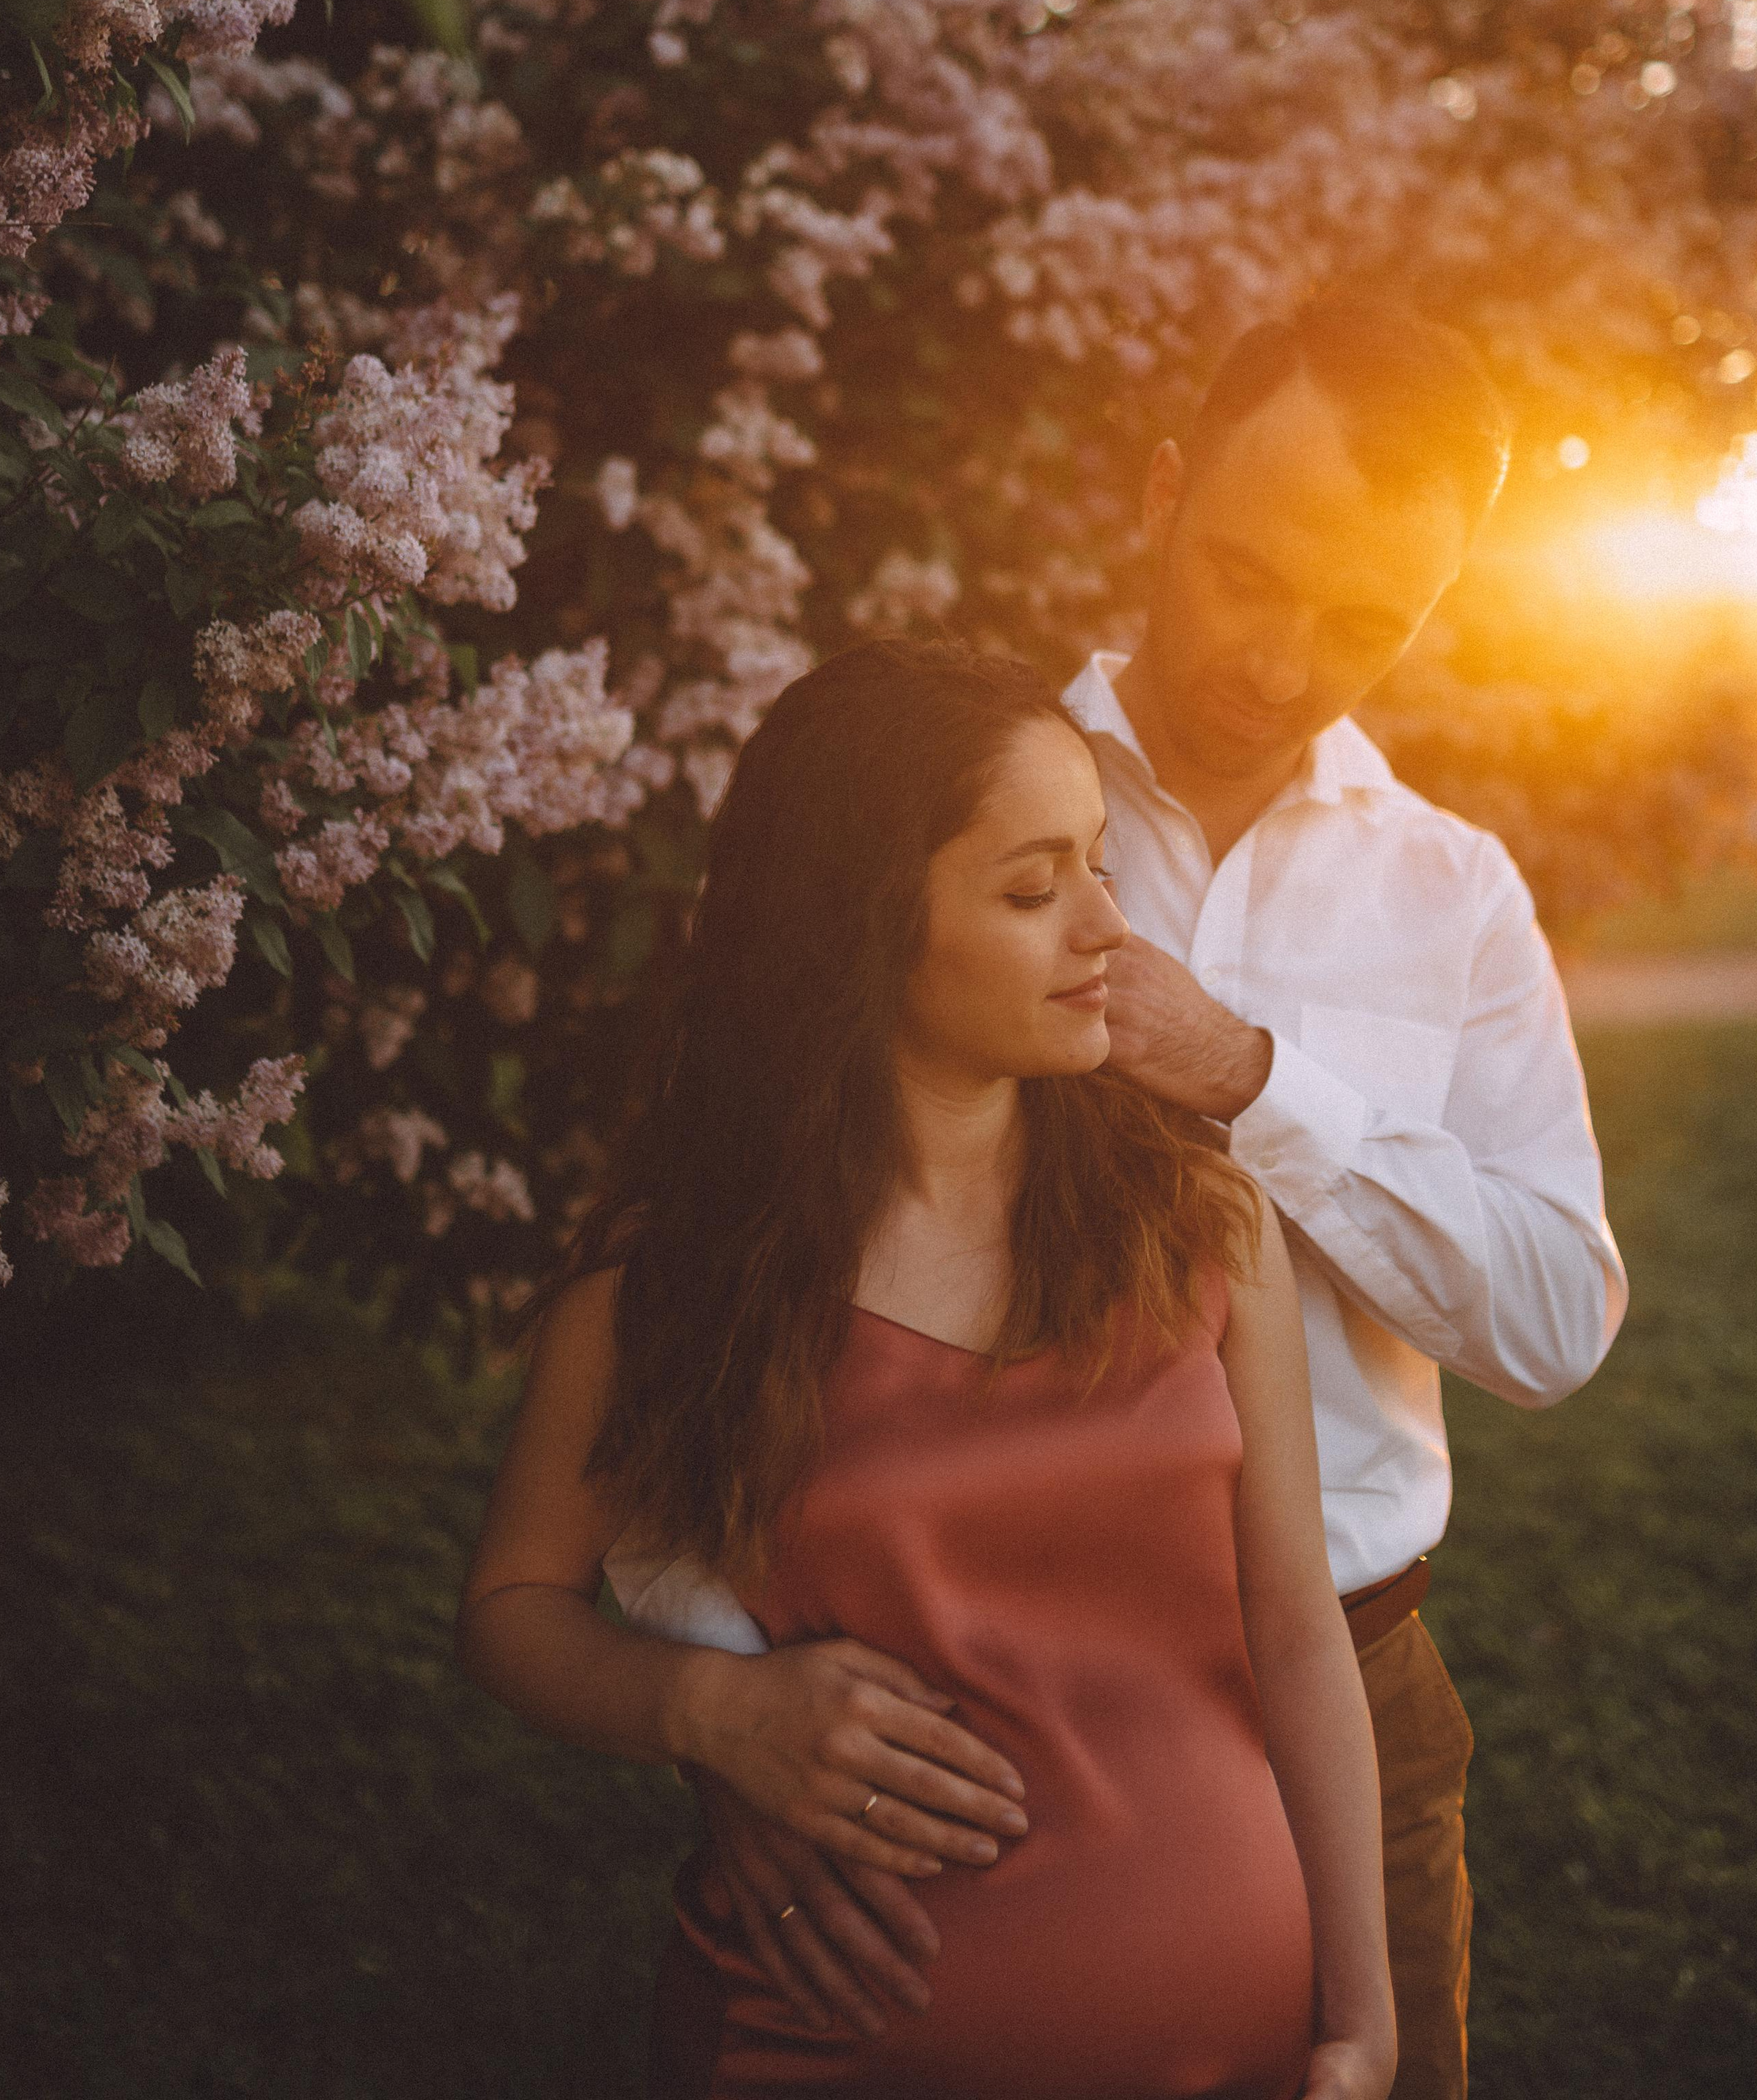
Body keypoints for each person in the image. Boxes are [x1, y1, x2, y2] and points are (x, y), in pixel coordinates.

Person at [647, 299, 1629, 2100]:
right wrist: (723, 1713)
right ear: (1162, 496)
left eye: (1361, 622)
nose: (1279, 660)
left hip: (1354, 1666)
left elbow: (1556, 1320)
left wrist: (1257, 1081)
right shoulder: (956, 797)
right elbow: (740, 1229)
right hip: (945, 1685)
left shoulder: (1455, 896)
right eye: (1253, 575)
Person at [459, 638, 1396, 2100]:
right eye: (1033, 888)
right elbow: (514, 1606)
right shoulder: (676, 1281)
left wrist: (1362, 2009)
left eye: (1098, 863)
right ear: (864, 923)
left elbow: (1292, 1626)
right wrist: (710, 1720)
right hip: (824, 2049)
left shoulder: (1198, 1221)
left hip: (1245, 2056)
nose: (1106, 928)